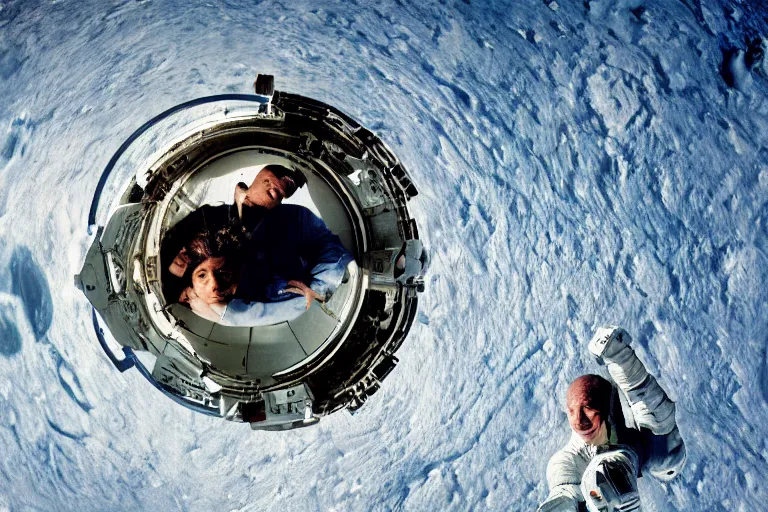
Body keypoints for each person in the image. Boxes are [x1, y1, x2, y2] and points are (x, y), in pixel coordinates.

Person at [161, 164, 354, 326]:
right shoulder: (208, 219)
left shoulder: (294, 221)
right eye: (270, 185)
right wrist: (177, 285)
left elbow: (328, 254)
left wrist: (230, 315)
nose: (215, 286)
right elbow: (164, 252)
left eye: (279, 194)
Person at [538, 326, 687, 512]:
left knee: (667, 456)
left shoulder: (631, 421)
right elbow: (563, 491)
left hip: (641, 450)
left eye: (588, 408)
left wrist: (618, 355)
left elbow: (640, 389)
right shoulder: (568, 459)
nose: (579, 421)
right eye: (572, 412)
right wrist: (561, 503)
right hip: (623, 458)